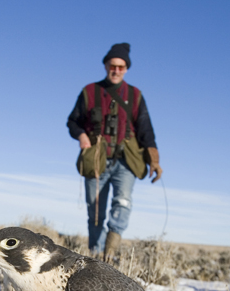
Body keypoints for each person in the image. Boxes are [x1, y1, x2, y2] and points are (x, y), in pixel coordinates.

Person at [67, 43, 162, 260]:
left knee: (123, 202)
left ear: (126, 68)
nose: (116, 70)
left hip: (127, 161)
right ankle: (95, 256)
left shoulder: (135, 95)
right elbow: (72, 121)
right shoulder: (90, 91)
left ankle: (109, 254)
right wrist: (81, 135)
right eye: (113, 66)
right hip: (96, 160)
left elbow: (146, 129)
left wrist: (154, 160)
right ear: (105, 65)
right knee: (95, 211)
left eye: (121, 67)